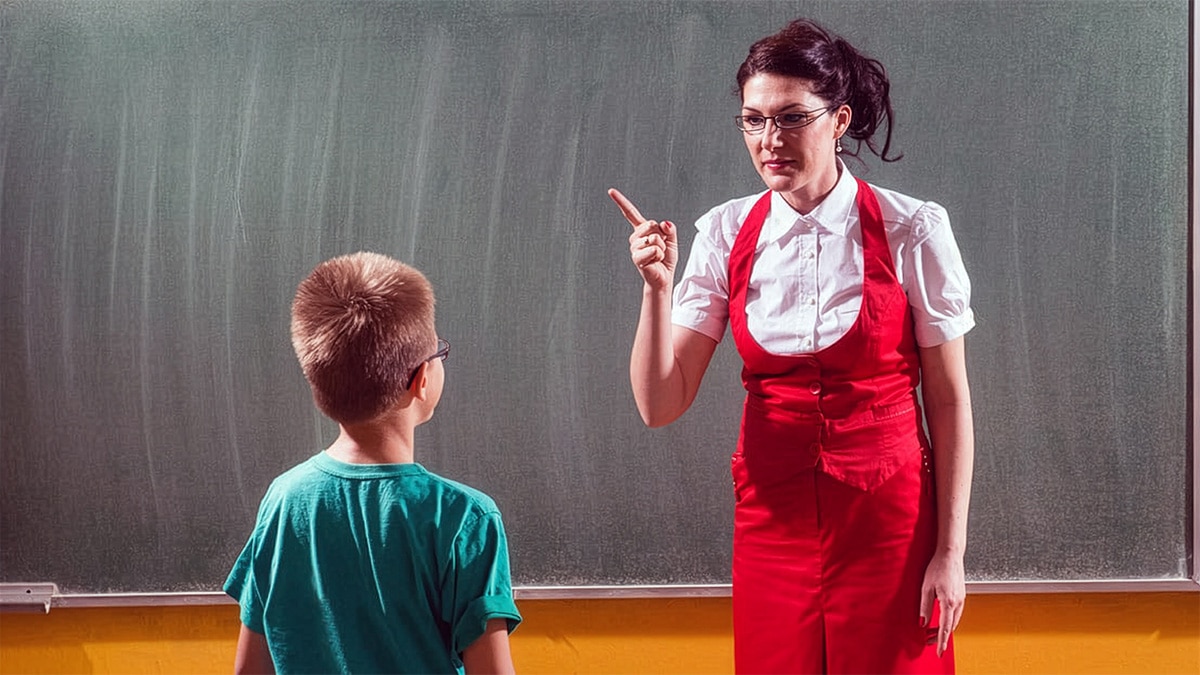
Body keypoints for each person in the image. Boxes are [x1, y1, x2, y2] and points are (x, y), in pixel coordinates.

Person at [609, 17, 975, 675]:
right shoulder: (724, 234)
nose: (769, 140)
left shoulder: (910, 229)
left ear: (839, 120)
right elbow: (659, 404)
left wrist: (949, 554)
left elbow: (948, 402)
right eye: (753, 120)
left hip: (889, 525)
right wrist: (656, 289)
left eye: (791, 118)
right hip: (771, 529)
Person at [224, 252, 522, 675]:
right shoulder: (465, 518)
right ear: (421, 379)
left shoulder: (284, 500)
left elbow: (251, 669)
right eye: (439, 351)